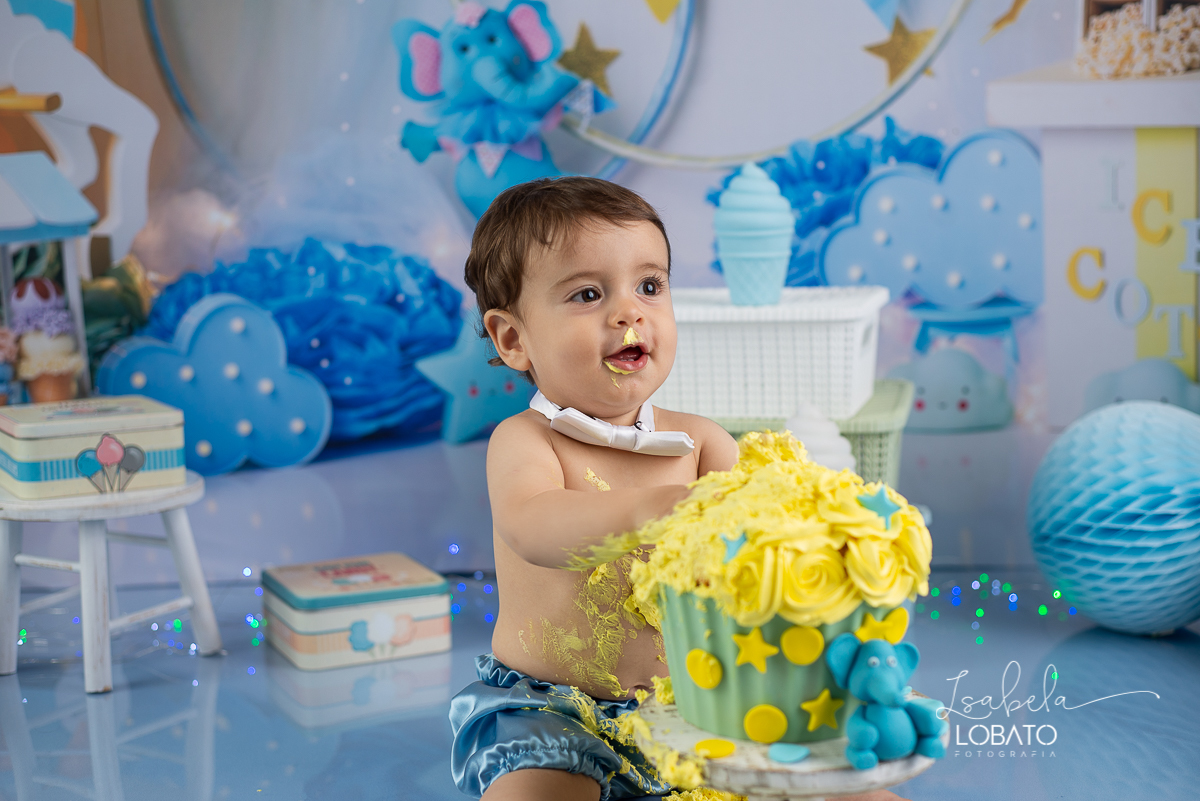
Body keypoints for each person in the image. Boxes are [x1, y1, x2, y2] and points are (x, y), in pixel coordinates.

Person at [449, 177, 911, 801]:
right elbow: (532, 526)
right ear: (513, 339)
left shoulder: (703, 443)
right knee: (537, 792)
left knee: (855, 790)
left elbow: (755, 559)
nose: (629, 312)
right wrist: (647, 509)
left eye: (650, 286)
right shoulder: (529, 441)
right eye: (588, 294)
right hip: (553, 712)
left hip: (696, 706)